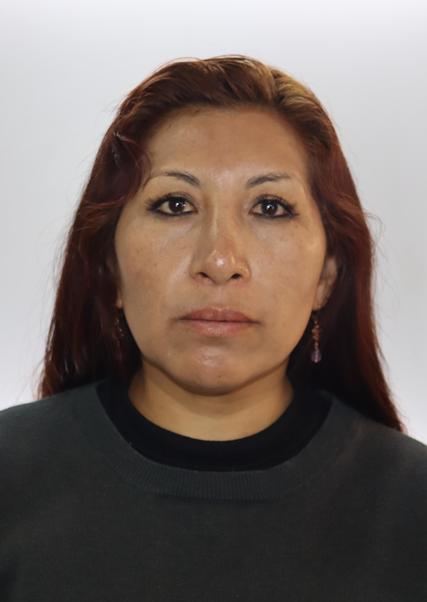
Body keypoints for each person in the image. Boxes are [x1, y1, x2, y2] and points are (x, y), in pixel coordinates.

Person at [1, 54, 426, 601]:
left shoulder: (412, 506)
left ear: (327, 276)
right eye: (175, 204)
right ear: (109, 268)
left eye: (269, 207)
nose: (220, 260)